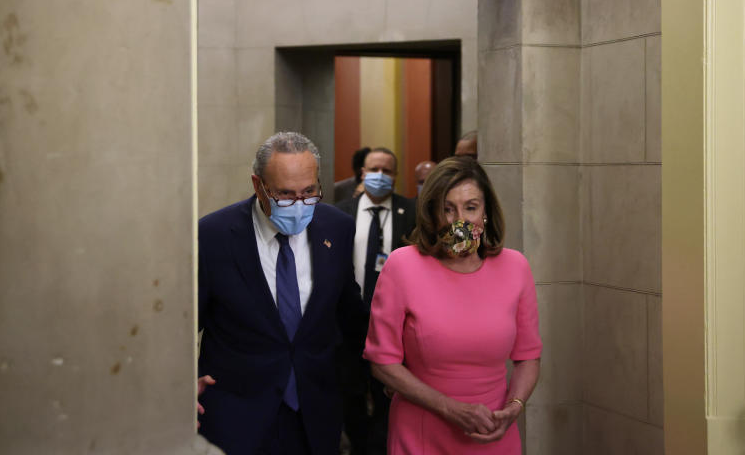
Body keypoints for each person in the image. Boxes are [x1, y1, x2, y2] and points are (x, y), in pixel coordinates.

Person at [197, 132, 367, 455]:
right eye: (285, 195)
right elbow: (183, 322)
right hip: (236, 417)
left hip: (315, 416)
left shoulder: (337, 228)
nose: (300, 205)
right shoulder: (213, 236)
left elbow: (350, 318)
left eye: (309, 192)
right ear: (258, 185)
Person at [364, 156, 541, 453]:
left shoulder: (515, 267)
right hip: (421, 433)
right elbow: (382, 363)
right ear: (432, 213)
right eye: (447, 209)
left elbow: (529, 356)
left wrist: (514, 407)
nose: (460, 219)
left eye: (471, 207)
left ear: (485, 212)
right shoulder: (402, 266)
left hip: (493, 431)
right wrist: (450, 409)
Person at [335, 147, 416, 455]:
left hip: (395, 325)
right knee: (350, 393)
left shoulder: (411, 212)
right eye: (374, 170)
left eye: (387, 171)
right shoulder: (341, 212)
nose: (380, 176)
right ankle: (358, 445)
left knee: (389, 397)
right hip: (350, 323)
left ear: (395, 176)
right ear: (362, 173)